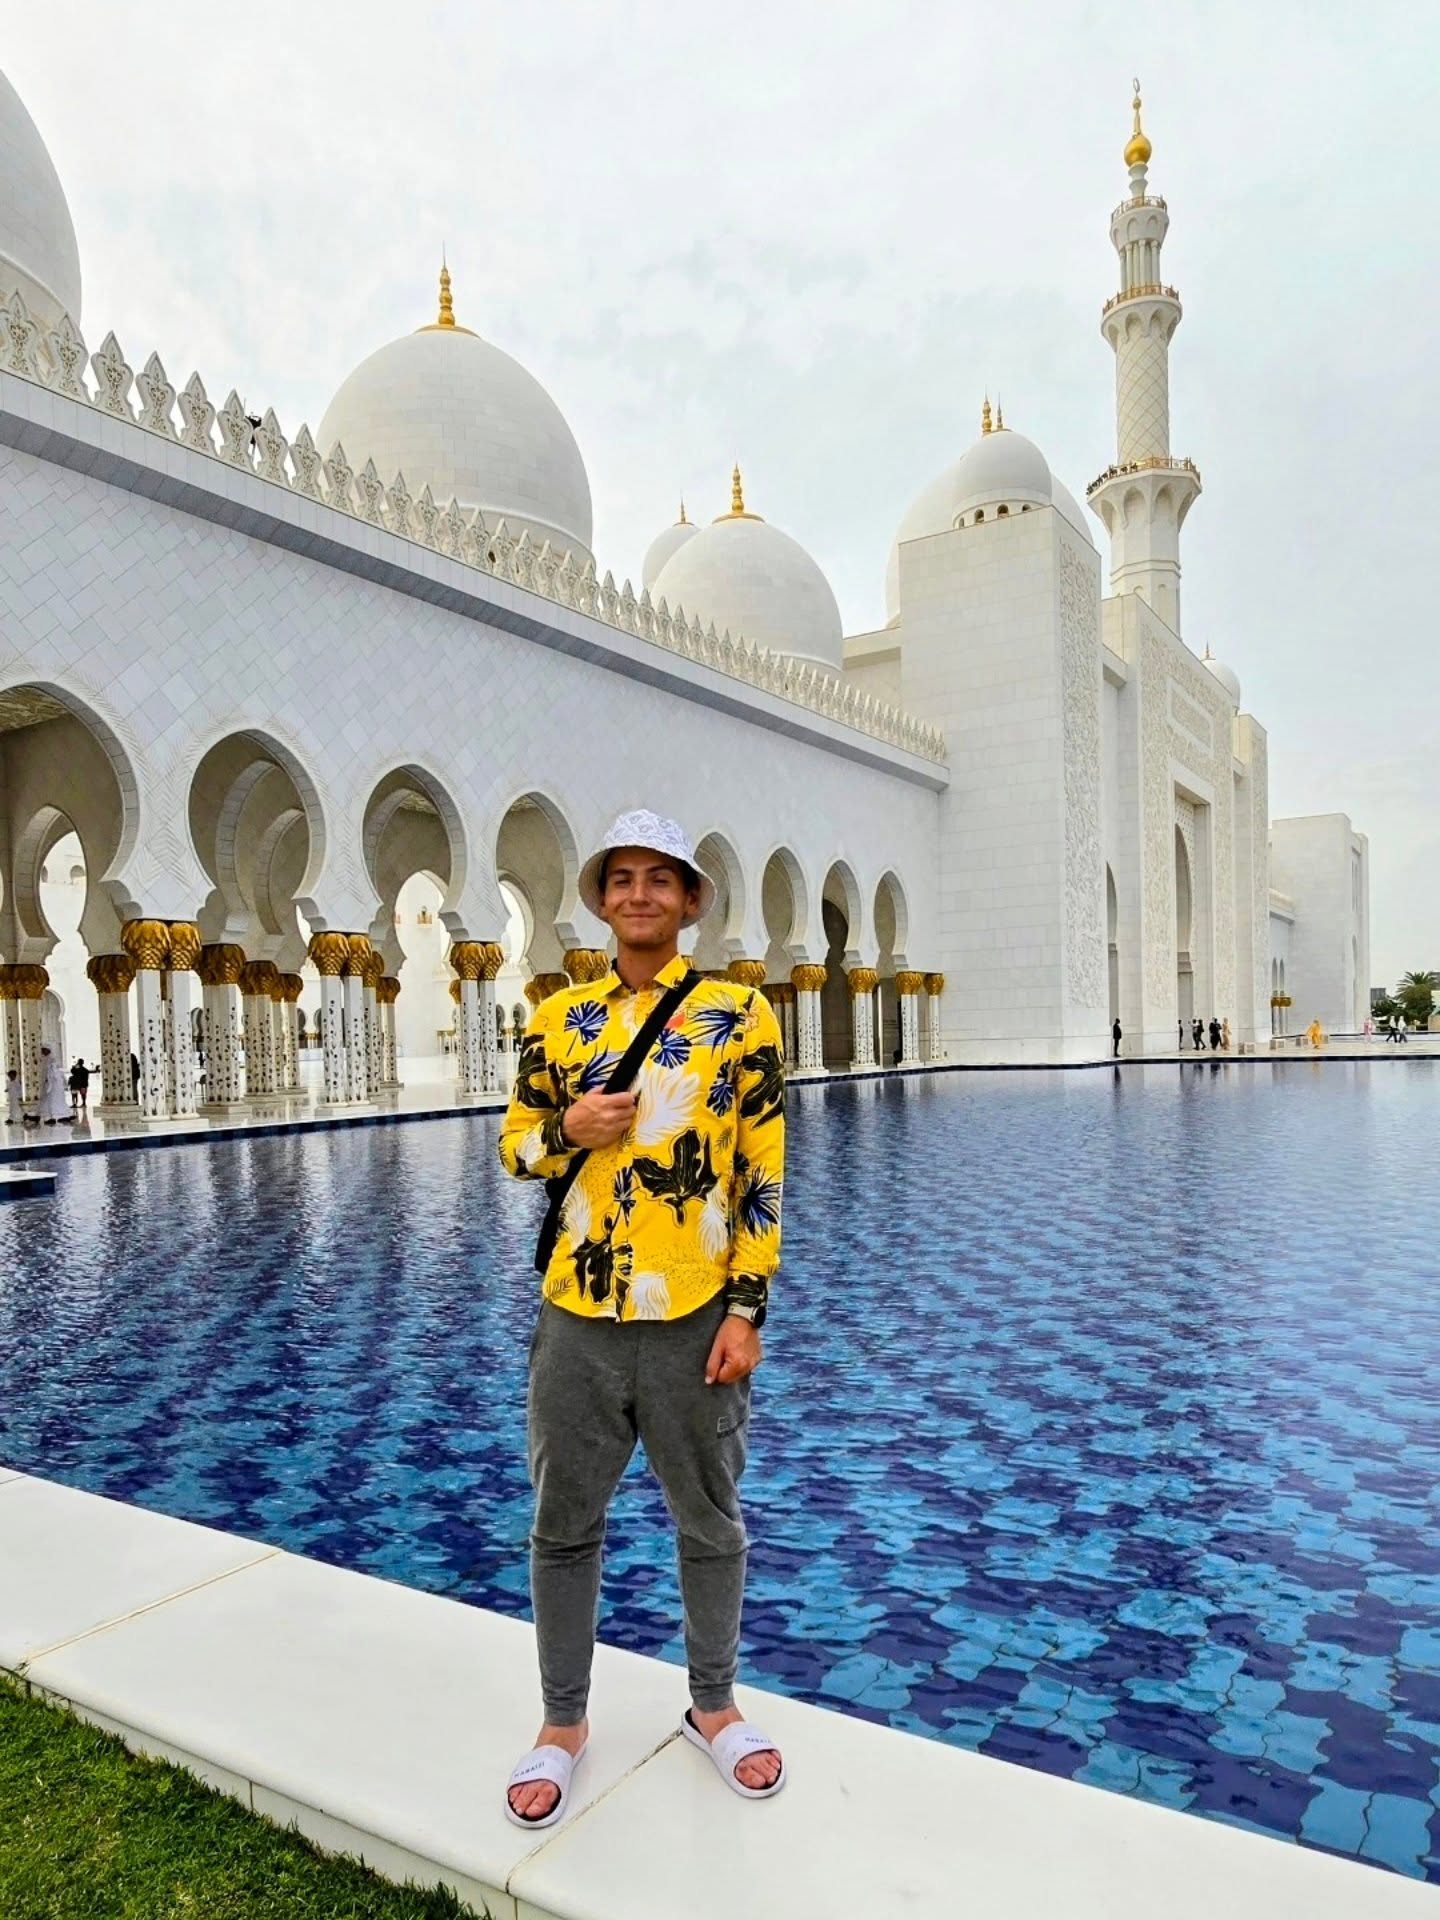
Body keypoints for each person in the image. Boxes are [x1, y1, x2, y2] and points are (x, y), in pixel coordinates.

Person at [498, 809, 787, 1828]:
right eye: (621, 878)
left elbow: (761, 1172)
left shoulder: (739, 1016)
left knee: (709, 1520)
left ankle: (714, 1707)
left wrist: (747, 1308)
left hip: (692, 1314)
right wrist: (567, 1127)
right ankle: (563, 1723)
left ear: (690, 901)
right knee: (562, 1524)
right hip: (576, 1315)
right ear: (600, 899)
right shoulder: (558, 1018)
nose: (638, 894)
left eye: (659, 879)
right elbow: (515, 1147)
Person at [38, 1045, 71, 1125]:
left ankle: (60, 1115)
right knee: (47, 1100)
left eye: (44, 1050)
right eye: (42, 1050)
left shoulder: (52, 1060)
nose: (43, 1051)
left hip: (54, 1085)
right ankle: (50, 1116)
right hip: (46, 1084)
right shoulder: (43, 1060)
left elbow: (54, 1072)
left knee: (56, 1100)